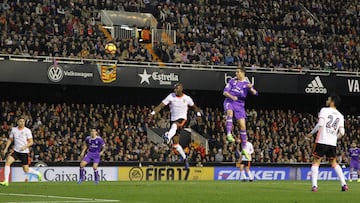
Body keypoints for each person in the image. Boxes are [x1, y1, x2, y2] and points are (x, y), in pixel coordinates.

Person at [150, 82, 201, 169]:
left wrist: (199, 115)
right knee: (176, 145)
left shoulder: (187, 98)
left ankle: (167, 136)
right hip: (173, 120)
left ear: (181, 89)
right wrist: (153, 112)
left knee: (175, 125)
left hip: (183, 119)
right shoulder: (171, 96)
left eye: (177, 88)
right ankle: (185, 159)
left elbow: (195, 108)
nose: (175, 90)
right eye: (174, 88)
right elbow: (161, 105)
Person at [306, 94, 348, 192]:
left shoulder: (324, 110)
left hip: (322, 140)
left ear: (332, 101)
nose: (327, 100)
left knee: (316, 162)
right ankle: (344, 184)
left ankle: (314, 186)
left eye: (328, 99)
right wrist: (334, 138)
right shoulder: (340, 116)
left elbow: (320, 124)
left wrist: (311, 133)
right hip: (332, 143)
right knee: (334, 163)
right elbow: (342, 133)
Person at [223, 66, 258, 159]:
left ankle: (244, 148)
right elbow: (225, 92)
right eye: (236, 72)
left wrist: (252, 89)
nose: (236, 73)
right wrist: (232, 97)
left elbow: (256, 93)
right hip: (230, 101)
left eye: (237, 72)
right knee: (229, 113)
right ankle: (229, 134)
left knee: (243, 126)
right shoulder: (232, 81)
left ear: (243, 73)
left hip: (240, 104)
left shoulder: (246, 84)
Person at [0, 116, 42, 186]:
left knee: (26, 170)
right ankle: (6, 181)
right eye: (21, 121)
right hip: (16, 151)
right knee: (7, 162)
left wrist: (25, 146)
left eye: (23, 121)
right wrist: (6, 148)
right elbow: (10, 139)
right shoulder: (14, 130)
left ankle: (37, 173)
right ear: (17, 122)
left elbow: (31, 142)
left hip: (24, 152)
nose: (22, 123)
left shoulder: (27, 131)